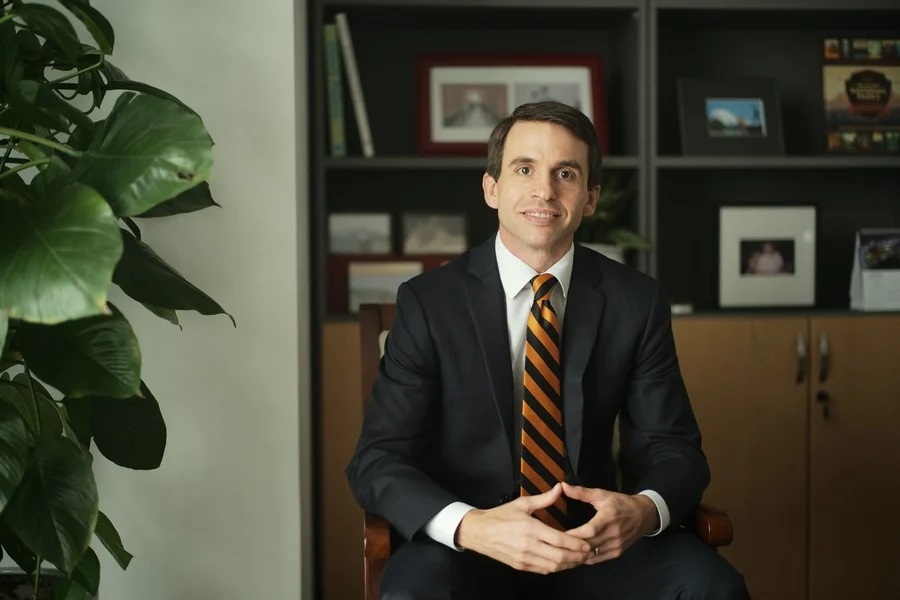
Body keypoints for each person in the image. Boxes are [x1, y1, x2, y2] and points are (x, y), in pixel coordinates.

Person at [345, 101, 749, 599]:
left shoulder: (635, 301)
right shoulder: (429, 303)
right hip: (471, 545)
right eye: (524, 169)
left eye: (566, 173)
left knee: (711, 587)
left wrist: (642, 510)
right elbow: (378, 459)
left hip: (594, 541)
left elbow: (674, 449)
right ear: (492, 188)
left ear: (590, 197)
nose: (545, 190)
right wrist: (471, 527)